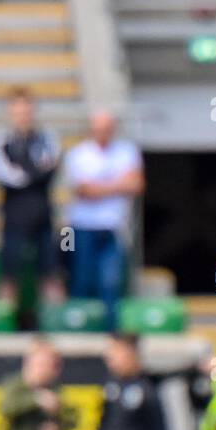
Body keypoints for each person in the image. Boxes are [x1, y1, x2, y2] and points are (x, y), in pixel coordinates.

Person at [62, 110, 143, 329]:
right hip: (82, 227)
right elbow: (83, 190)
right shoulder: (78, 153)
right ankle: (79, 328)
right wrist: (118, 184)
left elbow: (136, 185)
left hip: (113, 227)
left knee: (111, 282)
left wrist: (100, 187)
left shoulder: (127, 151)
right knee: (83, 279)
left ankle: (110, 333)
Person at [0, 86, 64, 312]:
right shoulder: (0, 139)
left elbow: (50, 166)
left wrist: (27, 170)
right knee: (9, 273)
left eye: (27, 110)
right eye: (18, 111)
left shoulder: (48, 137)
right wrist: (34, 172)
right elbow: (5, 175)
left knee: (50, 272)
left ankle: (55, 323)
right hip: (14, 214)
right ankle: (3, 324)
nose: (23, 116)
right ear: (10, 112)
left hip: (43, 213)